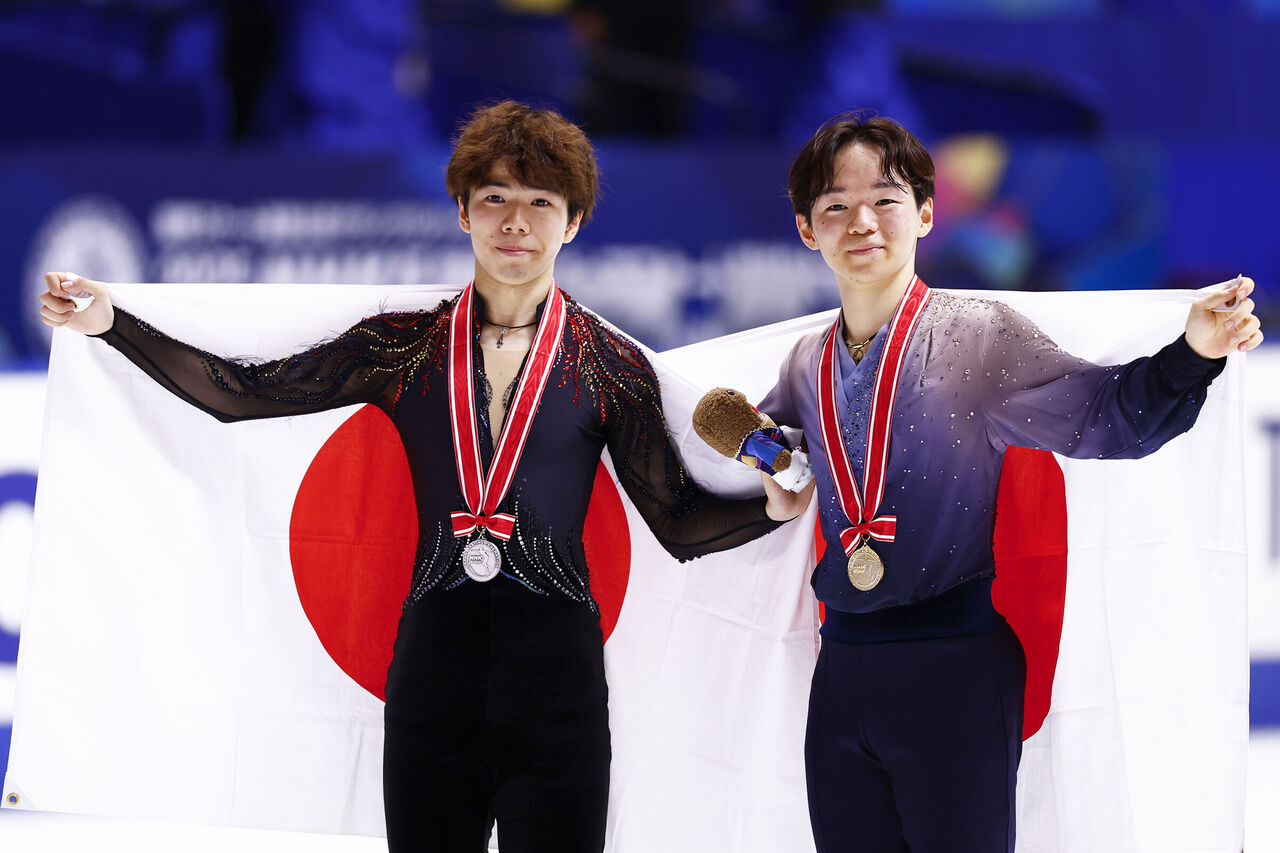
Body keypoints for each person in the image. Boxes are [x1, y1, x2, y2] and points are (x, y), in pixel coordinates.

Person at [39, 100, 813, 853]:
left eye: (541, 201)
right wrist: (112, 322)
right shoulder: (403, 347)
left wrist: (771, 510)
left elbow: (676, 520)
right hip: (432, 689)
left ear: (574, 221)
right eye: (495, 197)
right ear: (462, 211)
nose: (516, 221)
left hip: (561, 696)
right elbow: (245, 392)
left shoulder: (607, 364)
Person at [755, 112, 1262, 853]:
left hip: (951, 663)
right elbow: (777, 462)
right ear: (808, 229)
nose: (862, 221)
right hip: (840, 670)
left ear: (926, 214)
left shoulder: (980, 334)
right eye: (836, 205)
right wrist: (775, 488)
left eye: (885, 199)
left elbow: (1105, 416)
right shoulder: (805, 363)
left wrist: (1193, 353)